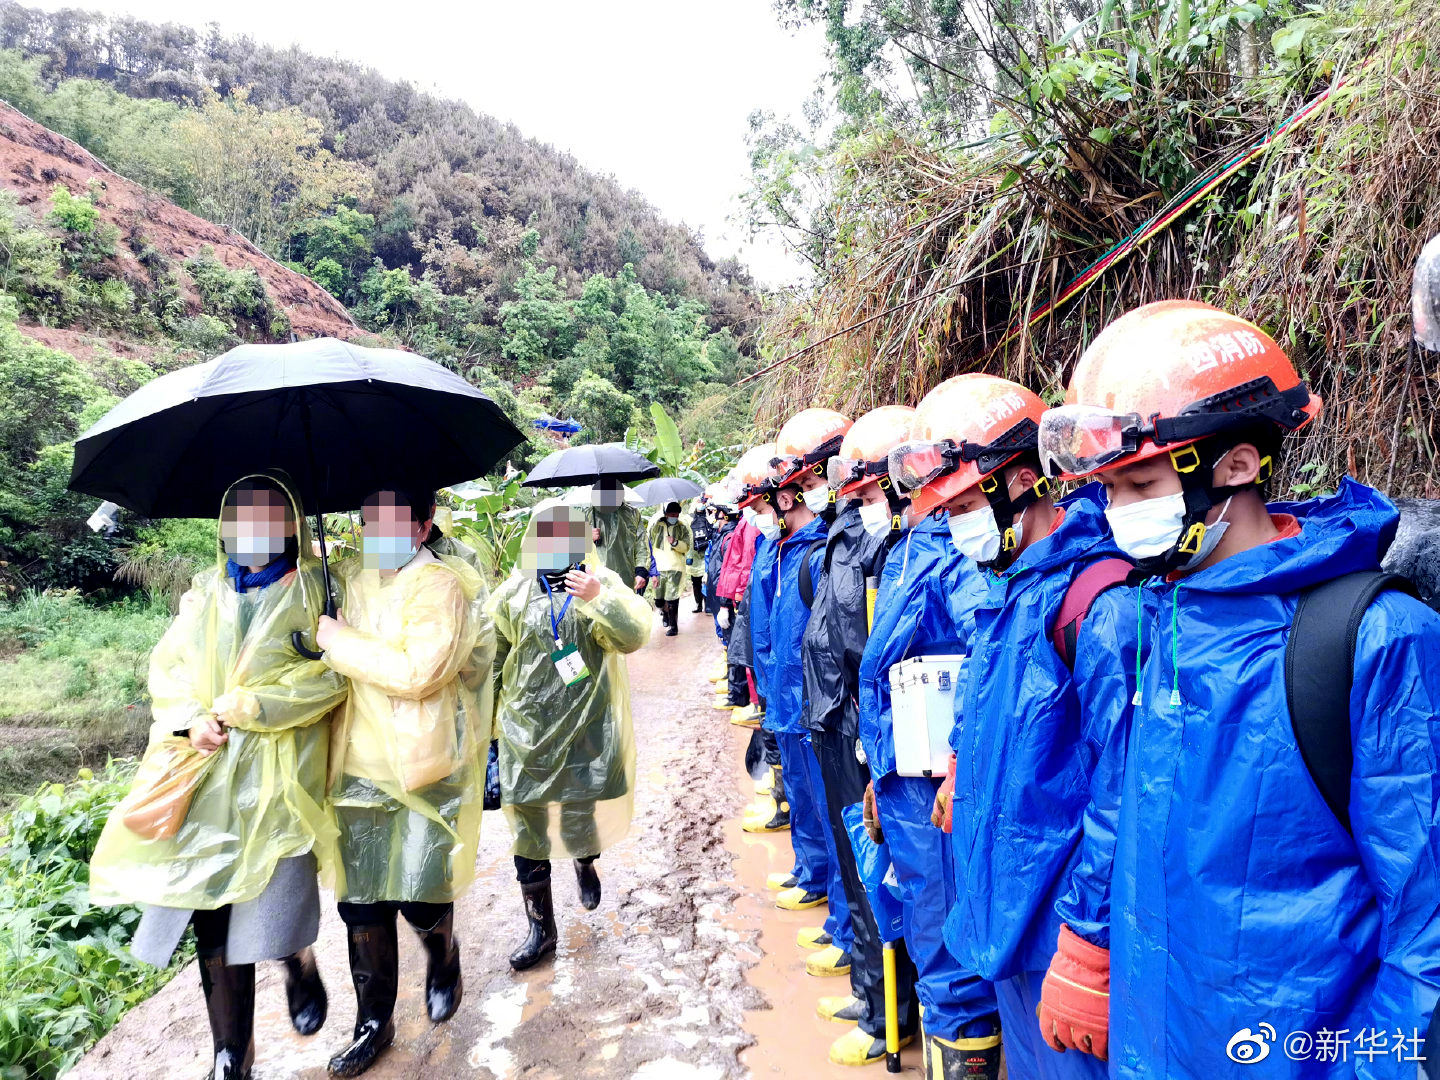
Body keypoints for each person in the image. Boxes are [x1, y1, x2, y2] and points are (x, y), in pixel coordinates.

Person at [1040, 300, 1440, 1077]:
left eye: (1140, 483)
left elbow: (1429, 925)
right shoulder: (1160, 614)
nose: (1118, 515)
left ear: (1237, 464)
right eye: (1108, 490)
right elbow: (1123, 810)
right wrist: (1088, 950)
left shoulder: (1375, 641)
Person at [890, 374, 1134, 1079]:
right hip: (1004, 904)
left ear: (1024, 481)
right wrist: (962, 759)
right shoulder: (1010, 585)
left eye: (965, 504)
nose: (955, 523)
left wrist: (1088, 944)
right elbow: (988, 695)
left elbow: (1121, 794)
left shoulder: (1097, 598)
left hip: (1061, 920)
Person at [90, 473, 347, 1080]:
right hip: (210, 771)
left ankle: (297, 961)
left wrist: (260, 707)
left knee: (273, 899)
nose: (252, 527)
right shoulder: (205, 593)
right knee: (213, 904)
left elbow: (333, 679)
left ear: (289, 521)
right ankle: (232, 1053)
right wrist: (189, 721)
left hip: (283, 775)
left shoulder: (318, 591)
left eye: (267, 512)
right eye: (240, 513)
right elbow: (171, 669)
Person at [316, 487, 492, 1077]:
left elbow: (420, 672)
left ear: (421, 528)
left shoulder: (441, 585)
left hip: (423, 767)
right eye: (368, 522)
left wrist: (339, 641)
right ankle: (373, 1023)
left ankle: (443, 957)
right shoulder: (348, 580)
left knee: (420, 892)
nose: (378, 534)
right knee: (361, 905)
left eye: (392, 523)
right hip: (356, 770)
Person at [802, 405, 921, 1065]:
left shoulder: (897, 549)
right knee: (856, 865)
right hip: (835, 718)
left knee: (880, 872)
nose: (862, 500)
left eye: (872, 491)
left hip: (863, 723)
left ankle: (888, 1018)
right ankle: (869, 991)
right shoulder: (846, 536)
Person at [488, 501, 651, 971]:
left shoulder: (599, 584)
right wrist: (489, 733)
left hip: (586, 727)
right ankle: (541, 929)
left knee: (580, 813)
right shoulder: (513, 594)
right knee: (527, 831)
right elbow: (494, 663)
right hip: (526, 734)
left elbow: (634, 636)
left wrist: (598, 597)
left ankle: (585, 860)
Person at [748, 408, 857, 980]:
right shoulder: (788, 545)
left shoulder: (827, 547)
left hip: (821, 707)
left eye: (806, 487)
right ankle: (817, 884)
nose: (782, 504)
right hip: (790, 699)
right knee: (813, 808)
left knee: (839, 819)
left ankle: (846, 925)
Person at [579, 478, 649, 595]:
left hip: (626, 577)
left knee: (625, 611)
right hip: (596, 578)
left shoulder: (632, 513)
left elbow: (641, 544)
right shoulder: (588, 514)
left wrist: (641, 570)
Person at [647, 501, 693, 636]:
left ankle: (674, 627)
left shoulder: (682, 527)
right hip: (659, 568)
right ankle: (664, 613)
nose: (675, 517)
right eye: (672, 514)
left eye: (677, 515)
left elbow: (686, 547)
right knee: (659, 600)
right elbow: (648, 542)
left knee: (672, 599)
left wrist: (675, 542)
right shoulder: (656, 526)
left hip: (675, 567)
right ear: (666, 514)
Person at [689, 498, 714, 613]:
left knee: (706, 580)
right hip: (695, 554)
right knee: (696, 582)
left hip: (707, 553)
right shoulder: (691, 519)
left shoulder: (709, 516)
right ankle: (699, 604)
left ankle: (707, 604)